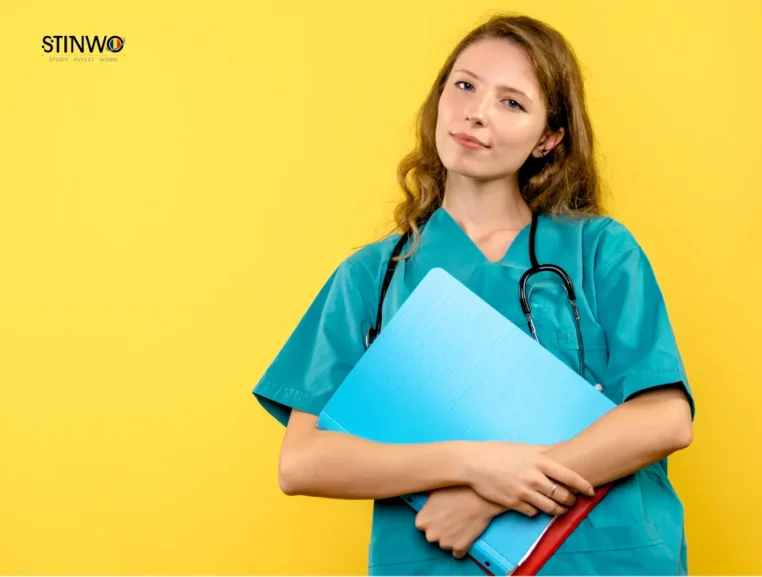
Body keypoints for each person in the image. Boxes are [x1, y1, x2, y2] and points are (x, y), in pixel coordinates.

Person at [251, 13, 696, 577]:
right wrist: (471, 464)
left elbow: (664, 419)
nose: (477, 112)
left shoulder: (600, 251)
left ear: (549, 138)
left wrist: (492, 495)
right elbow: (303, 463)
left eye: (512, 103)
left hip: (607, 558)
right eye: (464, 86)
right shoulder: (372, 276)